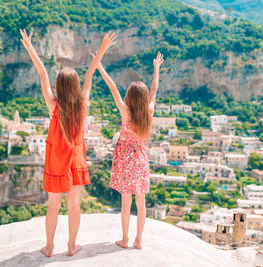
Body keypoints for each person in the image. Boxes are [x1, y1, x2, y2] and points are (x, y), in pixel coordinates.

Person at [20, 29, 117, 257]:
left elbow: (42, 73)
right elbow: (90, 75)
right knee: (75, 206)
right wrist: (102, 49)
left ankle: (50, 247)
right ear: (74, 87)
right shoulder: (82, 105)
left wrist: (30, 48)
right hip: (75, 161)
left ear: (59, 87)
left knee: (53, 206)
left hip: (56, 162)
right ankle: (72, 246)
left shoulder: (53, 106)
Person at [95, 51, 164, 250]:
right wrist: (156, 68)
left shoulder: (125, 111)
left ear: (130, 97)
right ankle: (139, 240)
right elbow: (154, 89)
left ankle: (125, 239)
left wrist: (99, 66)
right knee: (141, 203)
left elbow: (112, 86)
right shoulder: (149, 111)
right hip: (140, 159)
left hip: (124, 160)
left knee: (126, 203)